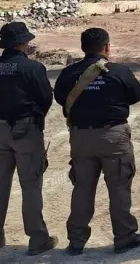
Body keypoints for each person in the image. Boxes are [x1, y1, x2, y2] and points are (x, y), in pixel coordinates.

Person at [54, 28, 140, 255]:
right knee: (119, 188)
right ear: (107, 47)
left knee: (82, 188)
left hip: (81, 137)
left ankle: (76, 241)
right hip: (113, 136)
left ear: (83, 47)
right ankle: (124, 237)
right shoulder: (119, 71)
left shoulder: (68, 73)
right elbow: (136, 95)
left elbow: (60, 99)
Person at [0, 22, 57, 255]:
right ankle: (37, 239)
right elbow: (45, 99)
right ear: (24, 42)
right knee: (31, 185)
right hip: (25, 129)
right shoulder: (32, 68)